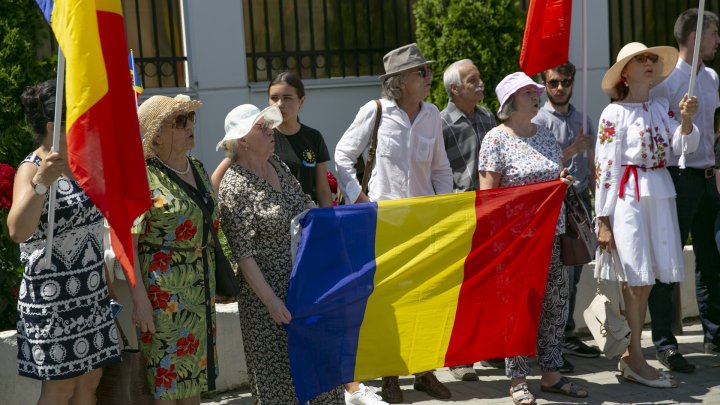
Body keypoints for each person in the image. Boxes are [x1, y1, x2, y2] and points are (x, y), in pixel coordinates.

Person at [335, 43, 453, 403]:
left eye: (427, 71)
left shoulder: (432, 114)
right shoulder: (375, 111)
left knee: (425, 298)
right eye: (422, 72)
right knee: (388, 301)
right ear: (400, 82)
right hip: (382, 224)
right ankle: (390, 375)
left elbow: (440, 169)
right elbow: (342, 155)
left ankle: (425, 371)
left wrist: (443, 210)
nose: (429, 77)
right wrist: (360, 200)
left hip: (422, 224)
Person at [216, 104, 344, 404]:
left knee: (321, 377)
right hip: (267, 301)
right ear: (242, 140)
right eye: (262, 127)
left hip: (302, 287)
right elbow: (243, 254)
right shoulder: (234, 185)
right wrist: (272, 302)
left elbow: (303, 208)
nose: (270, 130)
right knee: (280, 385)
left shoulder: (278, 165)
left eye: (269, 125)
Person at [7, 79, 122, 404]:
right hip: (52, 299)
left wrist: (106, 280)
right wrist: (42, 183)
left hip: (90, 291)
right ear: (51, 124)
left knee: (90, 381)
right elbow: (17, 230)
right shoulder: (31, 169)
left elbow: (91, 229)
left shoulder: (82, 162)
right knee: (60, 388)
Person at [478, 72, 585, 405]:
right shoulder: (495, 139)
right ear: (510, 103)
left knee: (555, 304)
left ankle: (551, 374)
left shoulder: (546, 135)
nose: (537, 97)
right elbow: (487, 196)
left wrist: (561, 179)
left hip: (550, 236)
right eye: (528, 93)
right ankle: (518, 379)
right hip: (515, 242)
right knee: (519, 309)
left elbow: (554, 173)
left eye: (536, 92)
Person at [596, 42, 699, 388]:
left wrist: (686, 121)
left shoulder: (661, 107)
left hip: (658, 189)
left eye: (651, 58)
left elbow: (682, 148)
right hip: (627, 196)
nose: (649, 63)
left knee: (649, 280)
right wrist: (603, 219)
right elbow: (604, 169)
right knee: (636, 279)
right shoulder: (612, 114)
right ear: (626, 72)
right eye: (640, 59)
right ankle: (635, 356)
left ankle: (633, 356)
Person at [132, 94, 219, 402]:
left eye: (190, 119)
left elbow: (213, 226)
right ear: (156, 136)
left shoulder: (197, 167)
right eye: (179, 122)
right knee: (167, 387)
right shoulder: (143, 177)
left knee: (192, 384)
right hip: (163, 297)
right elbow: (130, 245)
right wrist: (140, 300)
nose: (189, 126)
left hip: (199, 291)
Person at [649, 8, 720, 367]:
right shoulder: (666, 84)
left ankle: (714, 335)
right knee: (669, 261)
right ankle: (665, 342)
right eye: (712, 34)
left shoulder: (711, 77)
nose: (717, 41)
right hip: (678, 180)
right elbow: (661, 137)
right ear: (694, 38)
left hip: (709, 179)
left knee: (711, 259)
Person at [533, 62, 601, 373]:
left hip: (579, 202)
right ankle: (550, 342)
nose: (560, 88)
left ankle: (567, 334)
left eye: (565, 81)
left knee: (574, 271)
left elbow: (593, 165)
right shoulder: (538, 121)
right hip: (552, 202)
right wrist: (573, 149)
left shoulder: (583, 117)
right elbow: (542, 164)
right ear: (544, 85)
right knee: (554, 275)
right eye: (554, 83)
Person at [439, 59, 503, 381]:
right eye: (471, 79)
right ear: (454, 89)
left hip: (490, 209)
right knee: (462, 287)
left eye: (479, 77)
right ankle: (460, 358)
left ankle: (490, 348)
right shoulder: (439, 122)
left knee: (489, 283)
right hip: (460, 211)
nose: (479, 83)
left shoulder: (488, 116)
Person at [211, 72, 333, 208]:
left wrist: (328, 221)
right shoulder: (260, 138)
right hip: (276, 220)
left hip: (309, 217)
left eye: (287, 98)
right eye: (274, 98)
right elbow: (217, 178)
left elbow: (323, 189)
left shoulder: (313, 137)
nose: (280, 104)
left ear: (301, 101)